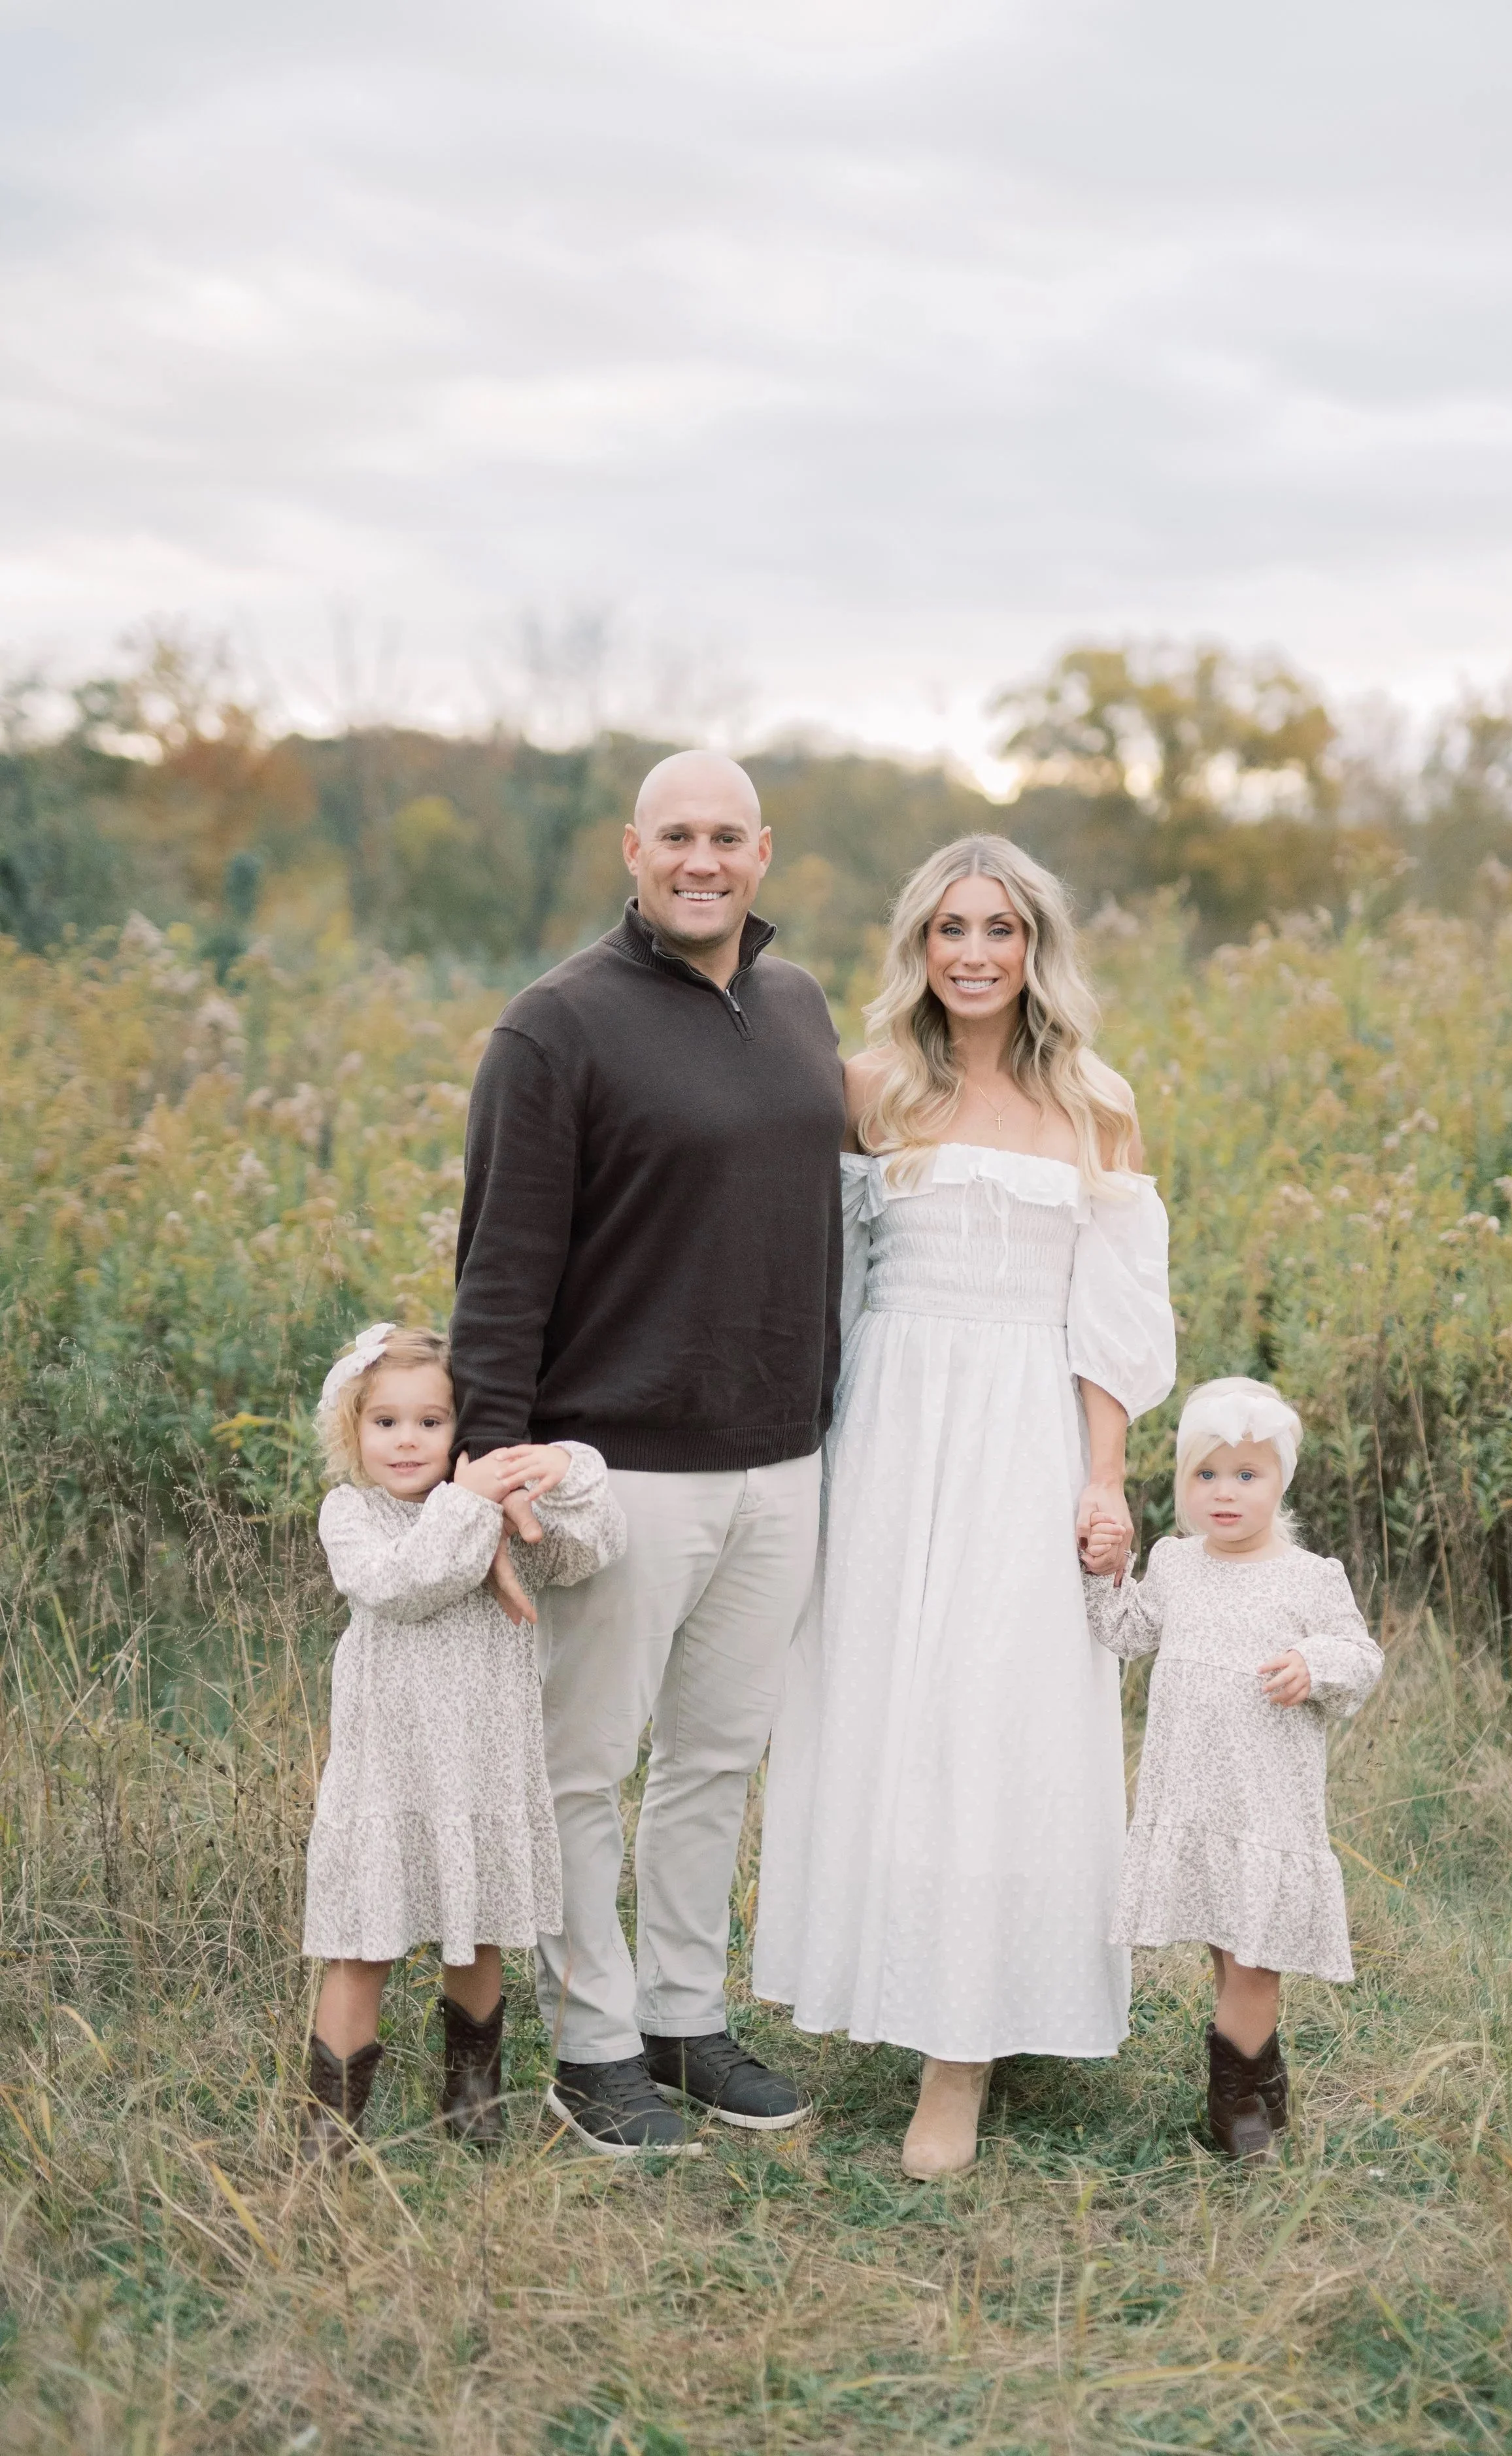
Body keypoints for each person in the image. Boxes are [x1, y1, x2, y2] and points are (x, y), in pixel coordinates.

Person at [753, 835, 1177, 2179]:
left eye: (1000, 928)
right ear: (919, 949)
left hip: (1020, 1436)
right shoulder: (866, 1090)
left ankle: (965, 2054)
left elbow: (1107, 1314)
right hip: (887, 1428)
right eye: (950, 929)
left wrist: (1102, 1482)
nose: (976, 953)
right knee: (889, 1705)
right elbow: (803, 1265)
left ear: (1035, 947)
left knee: (1001, 1712)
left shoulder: (1094, 1104)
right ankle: (892, 1976)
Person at [450, 751, 846, 2156]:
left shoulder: (799, 1006)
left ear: (761, 852)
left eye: (724, 837)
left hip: (779, 1460)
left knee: (714, 1760)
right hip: (611, 1468)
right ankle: (592, 2041)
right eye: (674, 835)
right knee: (585, 1763)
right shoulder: (555, 1027)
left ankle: (684, 2016)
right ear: (631, 848)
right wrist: (493, 1477)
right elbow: (498, 1272)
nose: (700, 859)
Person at [298, 1322, 625, 2161]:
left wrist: (565, 1469)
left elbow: (592, 1547)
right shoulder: (354, 1515)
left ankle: (473, 2112)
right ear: (353, 1430)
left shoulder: (499, 1514)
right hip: (389, 1777)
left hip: (479, 1773)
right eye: (386, 1422)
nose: (407, 1440)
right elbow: (403, 1586)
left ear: (465, 1430)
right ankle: (325, 2138)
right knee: (360, 1943)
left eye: (432, 1422)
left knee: (478, 1932)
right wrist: (471, 1501)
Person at [1081, 1375, 1384, 2162]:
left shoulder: (1309, 1576)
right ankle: (1262, 2073)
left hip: (1265, 1806)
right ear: (1183, 1482)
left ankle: (1237, 2104)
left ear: (1279, 1479)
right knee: (1226, 1946)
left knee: (1254, 1957)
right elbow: (1124, 1629)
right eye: (1205, 1475)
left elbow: (1361, 1655)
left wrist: (1310, 1664)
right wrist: (1101, 1567)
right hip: (1191, 1793)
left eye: (1245, 1476)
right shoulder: (1175, 1564)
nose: (1224, 1494)